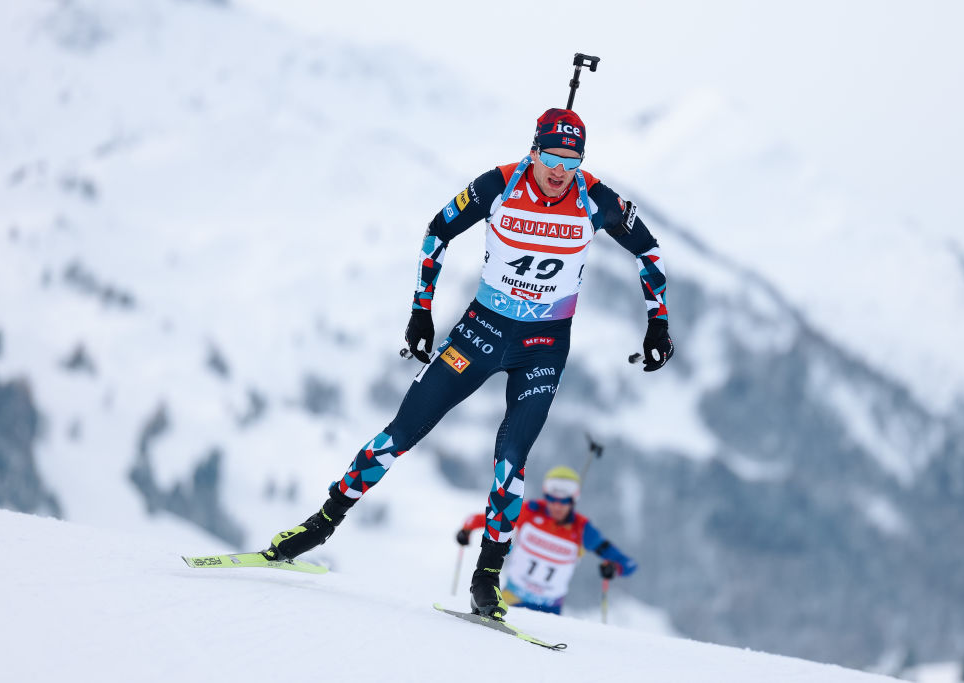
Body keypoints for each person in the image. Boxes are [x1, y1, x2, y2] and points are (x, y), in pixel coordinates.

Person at [262, 107, 673, 620]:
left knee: (511, 462)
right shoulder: (499, 183)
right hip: (480, 334)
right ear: (534, 149)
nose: (559, 169)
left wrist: (658, 322)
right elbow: (437, 231)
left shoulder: (595, 196)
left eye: (571, 159)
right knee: (400, 434)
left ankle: (487, 579)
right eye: (550, 155)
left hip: (543, 347)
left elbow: (648, 250)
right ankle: (319, 526)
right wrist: (420, 313)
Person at [456, 465, 637, 614]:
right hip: (512, 599)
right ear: (545, 493)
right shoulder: (531, 511)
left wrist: (615, 568)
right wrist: (467, 529)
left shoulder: (582, 529)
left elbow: (628, 564)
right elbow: (489, 518)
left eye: (564, 499)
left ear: (574, 499)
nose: (557, 505)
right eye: (552, 496)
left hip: (550, 608)